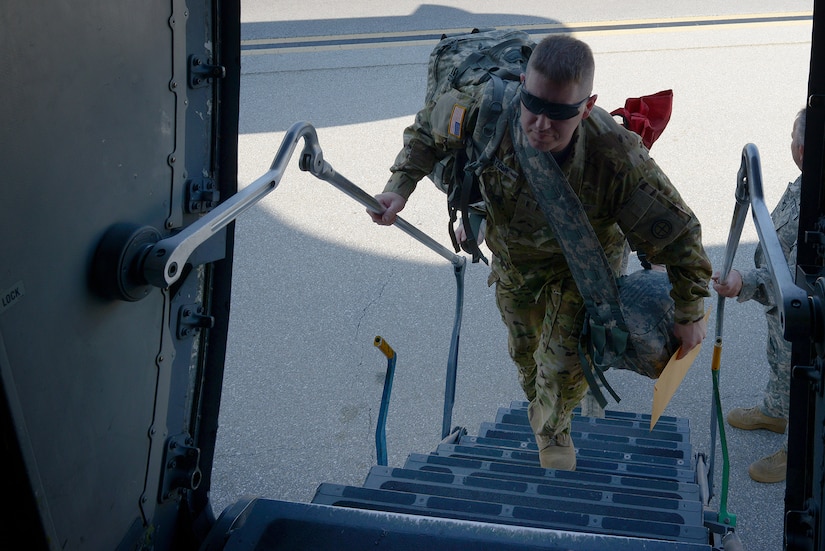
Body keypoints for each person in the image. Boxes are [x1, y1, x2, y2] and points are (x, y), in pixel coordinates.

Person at [369, 34, 712, 470]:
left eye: (559, 114)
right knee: (527, 354)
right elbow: (426, 134)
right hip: (513, 263)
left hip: (581, 271)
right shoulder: (487, 107)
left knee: (561, 361)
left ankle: (554, 433)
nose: (540, 125)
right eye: (533, 105)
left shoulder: (614, 154)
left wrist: (690, 313)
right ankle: (545, 407)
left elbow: (680, 233)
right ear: (523, 86)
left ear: (586, 108)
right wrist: (399, 188)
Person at [712, 107, 806, 484]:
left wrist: (741, 282)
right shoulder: (809, 182)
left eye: (792, 138)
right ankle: (775, 411)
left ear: (800, 149)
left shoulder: (817, 204)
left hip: (797, 309)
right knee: (782, 359)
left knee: (805, 375)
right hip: (782, 314)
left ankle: (798, 451)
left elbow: (793, 280)